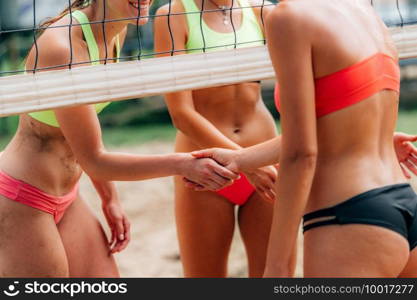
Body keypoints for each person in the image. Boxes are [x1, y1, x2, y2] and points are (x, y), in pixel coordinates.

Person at [0, 0, 238, 277]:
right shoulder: (61, 47)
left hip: (68, 193)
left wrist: (109, 199)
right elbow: (96, 160)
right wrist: (184, 164)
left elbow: (84, 135)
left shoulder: (115, 30)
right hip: (22, 197)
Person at [193, 0, 417, 277]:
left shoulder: (288, 17)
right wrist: (242, 158)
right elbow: (334, 123)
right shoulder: (366, 13)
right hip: (404, 205)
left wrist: (277, 265)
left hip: (349, 215)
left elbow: (301, 154)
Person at [154, 0, 290, 277]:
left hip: (265, 155)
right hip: (205, 165)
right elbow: (181, 113)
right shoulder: (173, 15)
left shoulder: (263, 12)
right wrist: (248, 164)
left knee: (274, 278)